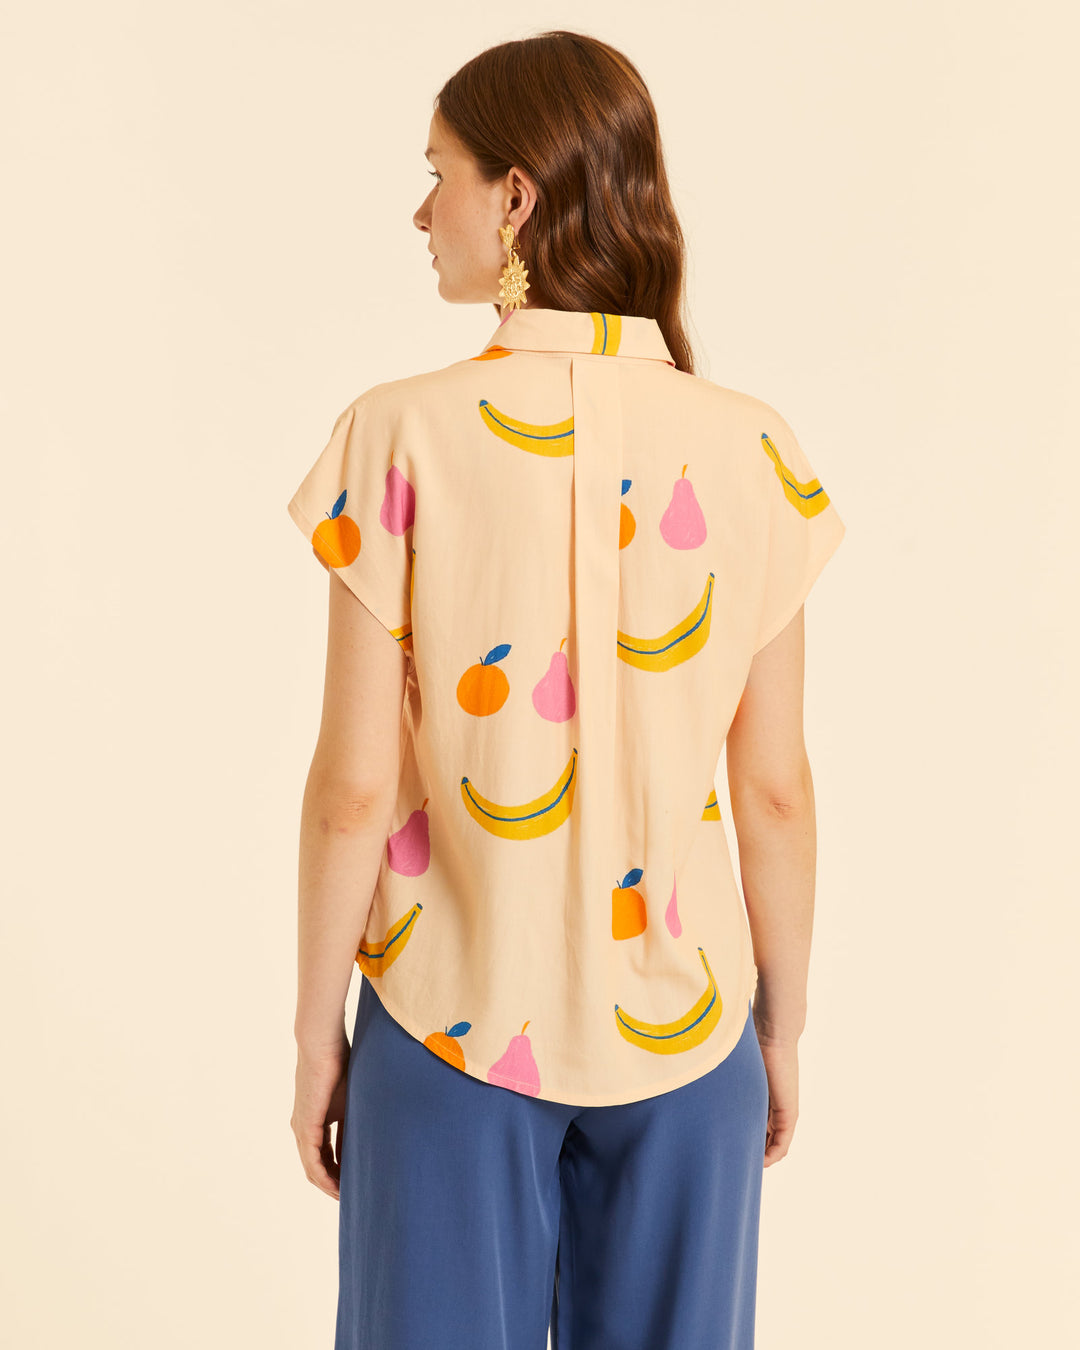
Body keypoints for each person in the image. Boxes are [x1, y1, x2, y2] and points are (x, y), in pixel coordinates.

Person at [287, 29, 846, 1350]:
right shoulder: (756, 449)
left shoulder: (396, 434)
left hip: (444, 1021)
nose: (423, 211)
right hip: (691, 1030)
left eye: (440, 174)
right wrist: (780, 1024)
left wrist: (317, 1038)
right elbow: (773, 789)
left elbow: (354, 787)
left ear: (517, 196)